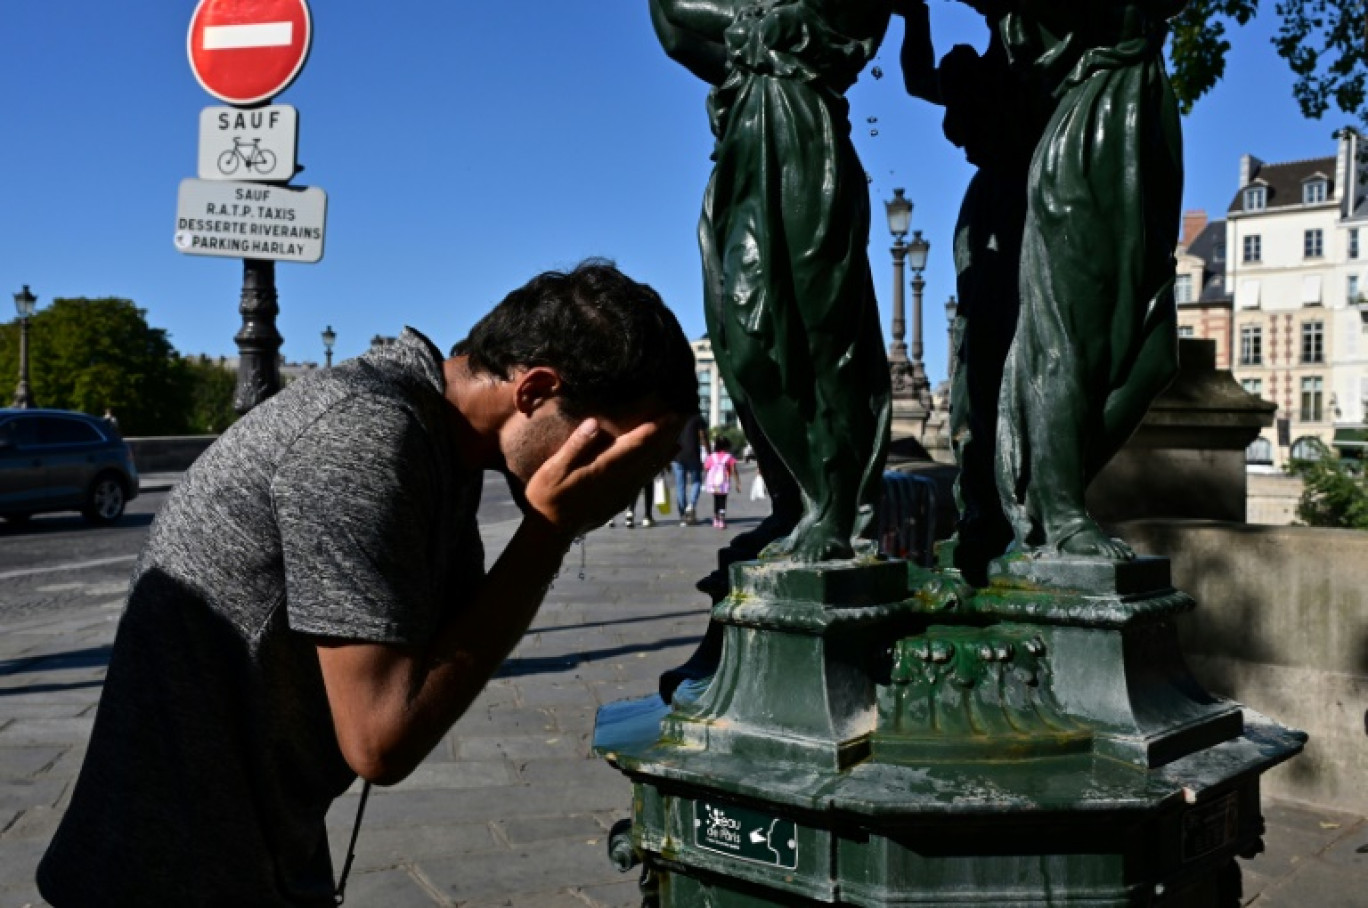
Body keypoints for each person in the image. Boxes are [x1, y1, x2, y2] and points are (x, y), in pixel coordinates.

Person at [36, 261, 697, 907]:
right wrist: (549, 531)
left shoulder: (442, 442)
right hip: (169, 873)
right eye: (615, 449)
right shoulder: (368, 432)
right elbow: (382, 739)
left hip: (249, 853)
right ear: (533, 392)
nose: (624, 481)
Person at [649, 0, 892, 562]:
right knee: (742, 343)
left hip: (806, 153)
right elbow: (677, 33)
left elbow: (856, 26)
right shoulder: (745, 27)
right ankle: (794, 501)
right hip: (742, 165)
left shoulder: (819, 20)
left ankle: (833, 506)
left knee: (818, 334)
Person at [672, 411, 709, 525]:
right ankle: (691, 505)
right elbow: (703, 435)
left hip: (677, 455)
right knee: (696, 481)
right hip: (693, 454)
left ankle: (683, 513)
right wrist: (709, 453)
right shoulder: (697, 417)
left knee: (680, 485)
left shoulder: (675, 416)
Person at [703, 437, 740, 529]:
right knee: (723, 501)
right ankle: (722, 520)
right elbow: (734, 470)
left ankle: (716, 519)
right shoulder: (729, 457)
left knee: (716, 500)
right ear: (727, 446)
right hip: (724, 482)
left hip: (713, 483)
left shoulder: (712, 457)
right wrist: (738, 482)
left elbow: (706, 468)